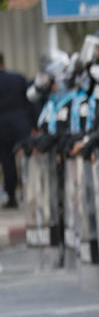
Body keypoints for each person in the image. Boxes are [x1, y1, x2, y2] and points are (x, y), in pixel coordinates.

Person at [0, 52, 32, 207]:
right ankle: (31, 192)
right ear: (3, 63)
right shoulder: (18, 78)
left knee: (7, 162)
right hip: (21, 125)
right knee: (28, 158)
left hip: (2, 129)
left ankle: (11, 196)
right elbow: (30, 101)